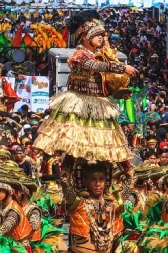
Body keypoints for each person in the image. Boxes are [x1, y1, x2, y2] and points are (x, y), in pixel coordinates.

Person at [33, 11, 138, 163]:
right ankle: (69, 180)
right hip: (79, 105)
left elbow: (103, 80)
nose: (101, 37)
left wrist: (117, 90)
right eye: (96, 34)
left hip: (98, 104)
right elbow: (93, 65)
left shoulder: (100, 55)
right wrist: (122, 68)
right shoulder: (80, 55)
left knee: (105, 145)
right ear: (83, 36)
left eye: (102, 34)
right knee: (74, 147)